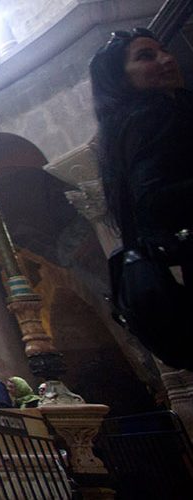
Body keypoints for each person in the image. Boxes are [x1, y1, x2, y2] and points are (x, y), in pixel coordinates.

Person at [90, 28, 193, 369]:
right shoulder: (153, 115)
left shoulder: (126, 123)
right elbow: (151, 199)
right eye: (146, 56)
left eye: (163, 50)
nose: (166, 59)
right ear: (120, 78)